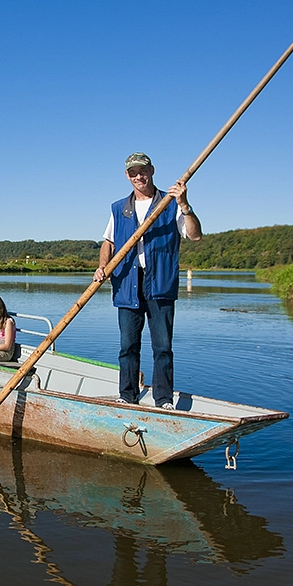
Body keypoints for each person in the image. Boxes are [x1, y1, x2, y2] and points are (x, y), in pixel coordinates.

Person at [92, 152, 203, 409]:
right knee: (127, 347)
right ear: (127, 176)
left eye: (143, 171)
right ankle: (127, 395)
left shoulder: (170, 203)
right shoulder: (119, 208)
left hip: (160, 284)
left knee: (162, 347)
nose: (139, 176)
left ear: (152, 170)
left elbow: (195, 236)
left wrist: (185, 204)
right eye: (133, 173)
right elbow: (108, 242)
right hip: (126, 284)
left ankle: (163, 399)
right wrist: (102, 266)